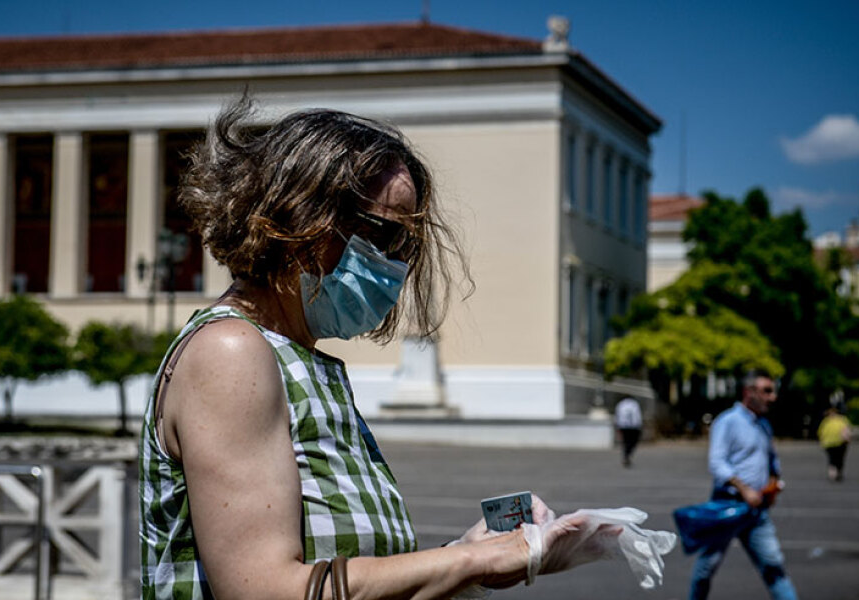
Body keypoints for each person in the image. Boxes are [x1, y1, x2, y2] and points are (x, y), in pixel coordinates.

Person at [138, 97, 626, 599]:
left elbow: (339, 572)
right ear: (296, 217)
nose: (394, 264)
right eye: (381, 234)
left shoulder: (298, 360)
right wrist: (472, 558)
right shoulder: (232, 352)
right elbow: (265, 591)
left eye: (405, 246)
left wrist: (467, 560)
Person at [688, 370, 798, 600]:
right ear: (749, 392)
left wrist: (773, 484)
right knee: (706, 568)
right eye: (767, 391)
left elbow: (771, 461)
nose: (773, 397)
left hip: (757, 511)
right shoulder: (728, 422)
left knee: (774, 567)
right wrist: (744, 488)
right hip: (727, 505)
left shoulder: (763, 425)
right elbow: (717, 463)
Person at [816, 403, 851, 482]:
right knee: (839, 458)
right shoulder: (842, 420)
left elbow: (820, 432)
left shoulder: (826, 421)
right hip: (840, 443)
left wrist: (821, 441)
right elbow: (847, 430)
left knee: (832, 459)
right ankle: (838, 472)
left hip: (829, 444)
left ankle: (833, 474)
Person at [614, 396, 643, 467]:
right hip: (634, 426)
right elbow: (638, 416)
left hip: (623, 426)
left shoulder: (621, 404)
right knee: (632, 442)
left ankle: (626, 455)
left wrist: (618, 425)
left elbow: (617, 415)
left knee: (626, 441)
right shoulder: (635, 404)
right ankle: (627, 455)